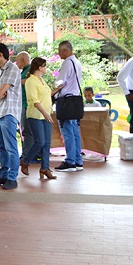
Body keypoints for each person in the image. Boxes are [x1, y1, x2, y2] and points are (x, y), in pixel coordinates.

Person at [0, 43, 21, 190]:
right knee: (0, 147)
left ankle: (12, 177)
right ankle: (4, 175)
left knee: (10, 147)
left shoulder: (12, 69)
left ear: (1, 55)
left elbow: (0, 93)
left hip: (8, 112)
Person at [21, 58, 56, 181]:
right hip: (36, 115)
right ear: (39, 67)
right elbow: (34, 100)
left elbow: (47, 94)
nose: (46, 68)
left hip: (46, 114)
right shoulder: (31, 81)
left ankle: (45, 168)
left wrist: (58, 89)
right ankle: (25, 161)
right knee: (39, 141)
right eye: (44, 66)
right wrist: (45, 113)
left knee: (47, 143)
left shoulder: (42, 81)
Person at [53, 40, 84, 172]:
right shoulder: (77, 62)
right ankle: (77, 160)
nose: (59, 54)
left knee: (67, 131)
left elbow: (60, 81)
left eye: (60, 51)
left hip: (66, 100)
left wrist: (54, 88)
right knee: (74, 130)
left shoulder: (67, 63)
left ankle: (70, 160)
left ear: (65, 51)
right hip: (75, 99)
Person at [16, 51, 35, 161]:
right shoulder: (24, 71)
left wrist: (15, 81)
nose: (16, 64)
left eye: (17, 61)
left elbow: (29, 81)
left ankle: (27, 156)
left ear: (22, 60)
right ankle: (26, 154)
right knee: (26, 131)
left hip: (27, 104)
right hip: (23, 104)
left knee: (28, 132)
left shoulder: (30, 71)